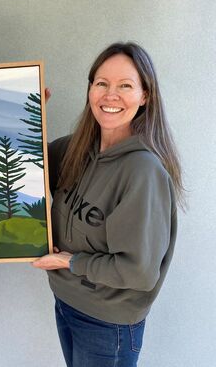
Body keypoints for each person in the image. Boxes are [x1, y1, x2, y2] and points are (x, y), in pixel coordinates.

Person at [32, 42, 184, 367]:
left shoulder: (143, 172)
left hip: (107, 324)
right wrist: (26, 118)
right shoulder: (77, 149)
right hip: (67, 303)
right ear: (90, 90)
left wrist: (69, 262)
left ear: (145, 96)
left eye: (125, 86)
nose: (110, 95)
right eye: (102, 83)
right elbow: (28, 168)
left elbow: (139, 272)